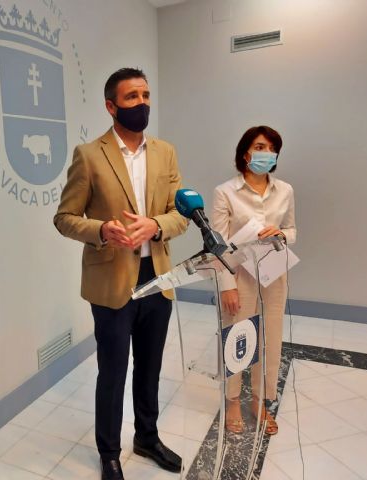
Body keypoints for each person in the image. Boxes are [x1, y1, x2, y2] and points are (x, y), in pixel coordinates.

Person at [53, 68, 188, 480]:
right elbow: (64, 218)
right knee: (112, 372)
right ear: (111, 107)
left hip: (157, 276)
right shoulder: (89, 155)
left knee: (150, 366)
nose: (142, 103)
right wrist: (101, 231)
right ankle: (108, 452)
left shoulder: (165, 152)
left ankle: (147, 437)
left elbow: (181, 213)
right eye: (132, 97)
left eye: (146, 95)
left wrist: (156, 225)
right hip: (111, 282)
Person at [210, 125, 296, 436]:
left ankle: (261, 401)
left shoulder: (285, 190)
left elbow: (292, 230)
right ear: (245, 153)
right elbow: (217, 245)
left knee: (270, 338)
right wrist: (227, 285)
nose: (266, 153)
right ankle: (233, 400)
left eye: (272, 149)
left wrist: (281, 233)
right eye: (260, 147)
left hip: (274, 272)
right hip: (240, 274)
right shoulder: (225, 192)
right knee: (237, 336)